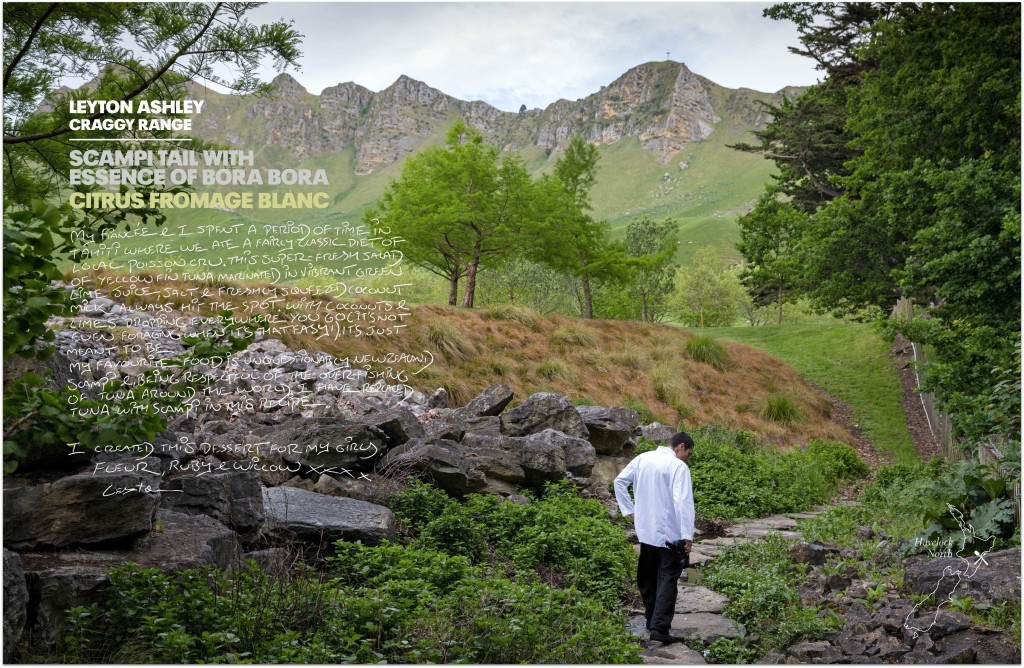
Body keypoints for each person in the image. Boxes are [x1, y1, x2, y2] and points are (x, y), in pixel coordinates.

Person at [614, 431, 695, 644]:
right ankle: (659, 628)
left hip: (646, 532)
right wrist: (687, 535)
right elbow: (682, 501)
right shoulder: (678, 467)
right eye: (689, 453)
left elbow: (619, 482)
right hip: (670, 535)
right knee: (667, 580)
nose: (688, 457)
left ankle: (651, 620)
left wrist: (629, 510)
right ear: (681, 447)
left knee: (648, 579)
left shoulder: (643, 458)